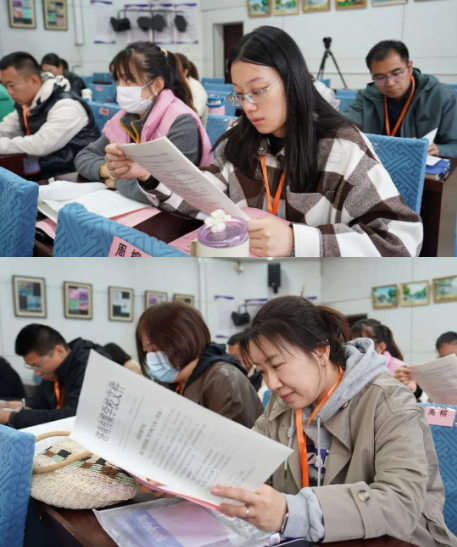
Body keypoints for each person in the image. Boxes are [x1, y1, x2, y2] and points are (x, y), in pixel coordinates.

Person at [137, 27, 423, 257]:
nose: (248, 106)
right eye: (239, 94)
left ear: (292, 81)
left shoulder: (340, 147)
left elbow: (400, 242)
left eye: (258, 91)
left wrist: (296, 241)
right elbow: (205, 196)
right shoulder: (240, 139)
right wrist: (148, 175)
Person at [208, 296, 457, 546]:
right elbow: (248, 459)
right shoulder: (283, 401)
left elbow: (400, 505)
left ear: (320, 351)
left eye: (277, 365)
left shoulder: (388, 400)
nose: (272, 383)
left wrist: (292, 512)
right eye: (262, 371)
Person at [75, 42, 213, 205]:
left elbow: (170, 188)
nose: (120, 87)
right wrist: (108, 170)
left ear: (156, 85)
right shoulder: (125, 118)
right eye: (118, 80)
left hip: (177, 215)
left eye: (128, 80)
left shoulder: (181, 121)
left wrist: (117, 182)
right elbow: (83, 156)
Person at [135, 301, 264, 427]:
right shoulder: (171, 383)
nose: (150, 358)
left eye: (154, 349)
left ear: (182, 339)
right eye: (146, 351)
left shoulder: (222, 380)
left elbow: (228, 438)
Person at [345, 40, 457, 158]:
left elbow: (454, 145)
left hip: (422, 164)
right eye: (380, 77)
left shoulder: (442, 96)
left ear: (409, 67)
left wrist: (439, 149)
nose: (390, 83)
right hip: (379, 163)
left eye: (396, 74)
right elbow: (345, 128)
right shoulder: (366, 97)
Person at [0, 52, 99, 178]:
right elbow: (5, 129)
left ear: (33, 80)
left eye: (11, 85)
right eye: (5, 86)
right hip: (46, 172)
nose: (9, 92)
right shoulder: (27, 105)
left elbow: (41, 144)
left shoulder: (66, 106)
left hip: (75, 176)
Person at [0, 324, 108, 429]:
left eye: (38, 366)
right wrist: (21, 406)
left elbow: (74, 416)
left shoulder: (93, 365)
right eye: (32, 367)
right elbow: (39, 403)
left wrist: (12, 417)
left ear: (59, 351)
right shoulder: (53, 373)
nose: (37, 373)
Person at [395, 331, 457, 396]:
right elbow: (425, 397)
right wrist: (413, 387)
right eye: (444, 358)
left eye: (454, 357)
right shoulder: (437, 378)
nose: (449, 362)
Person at [174, 53, 208, 127]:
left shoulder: (197, 90)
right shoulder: (172, 88)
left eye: (176, 72)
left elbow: (194, 117)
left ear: (185, 72)